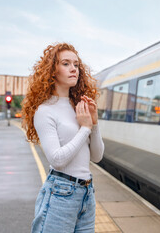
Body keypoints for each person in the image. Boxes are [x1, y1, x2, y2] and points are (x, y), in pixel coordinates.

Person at [21, 42, 104, 233]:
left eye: (76, 65)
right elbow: (57, 160)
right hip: (61, 193)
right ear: (52, 70)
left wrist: (94, 123)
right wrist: (84, 128)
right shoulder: (45, 111)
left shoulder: (78, 106)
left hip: (87, 193)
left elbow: (97, 157)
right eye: (66, 64)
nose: (73, 69)